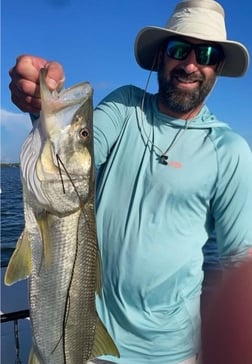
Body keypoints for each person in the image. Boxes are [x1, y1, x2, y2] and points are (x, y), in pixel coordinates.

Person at [8, 0, 252, 363]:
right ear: (160, 57)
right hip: (87, 337)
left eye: (207, 54)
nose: (190, 64)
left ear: (217, 67)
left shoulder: (230, 150)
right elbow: (76, 158)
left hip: (173, 353)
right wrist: (39, 109)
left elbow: (238, 262)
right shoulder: (124, 108)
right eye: (179, 49)